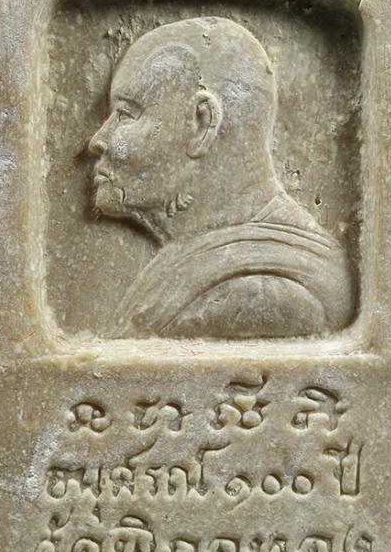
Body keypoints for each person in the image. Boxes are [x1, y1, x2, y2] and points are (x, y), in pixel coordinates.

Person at [88, 17, 354, 339]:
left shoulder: (267, 295)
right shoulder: (197, 263)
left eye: (126, 114)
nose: (98, 140)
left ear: (202, 124)